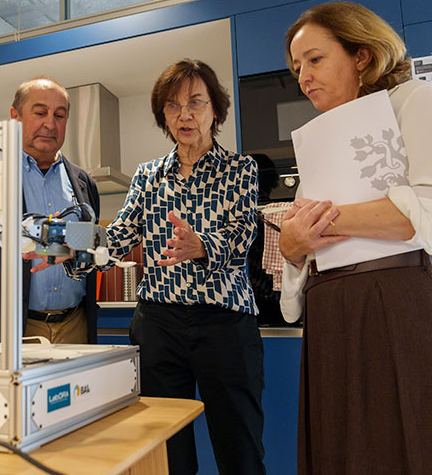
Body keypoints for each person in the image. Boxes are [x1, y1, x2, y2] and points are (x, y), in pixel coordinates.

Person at [30, 60, 265, 474]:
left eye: (195, 103)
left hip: (225, 325)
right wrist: (70, 245)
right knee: (166, 452)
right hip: (160, 326)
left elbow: (243, 235)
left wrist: (201, 245)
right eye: (173, 106)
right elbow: (118, 234)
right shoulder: (149, 175)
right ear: (163, 116)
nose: (184, 115)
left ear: (215, 109)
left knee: (239, 449)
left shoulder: (240, 169)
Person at [279, 1, 432, 474]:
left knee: (415, 444)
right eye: (297, 68)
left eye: (315, 59)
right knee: (344, 453)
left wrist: (318, 224)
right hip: (331, 313)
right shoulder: (318, 142)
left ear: (361, 55)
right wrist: (292, 249)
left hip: (401, 300)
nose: (304, 77)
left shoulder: (416, 100)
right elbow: (301, 246)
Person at [0, 77, 100, 344]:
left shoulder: (83, 182)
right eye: (40, 113)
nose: (50, 124)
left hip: (75, 325)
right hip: (9, 327)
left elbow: (91, 246)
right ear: (15, 117)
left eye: (59, 115)